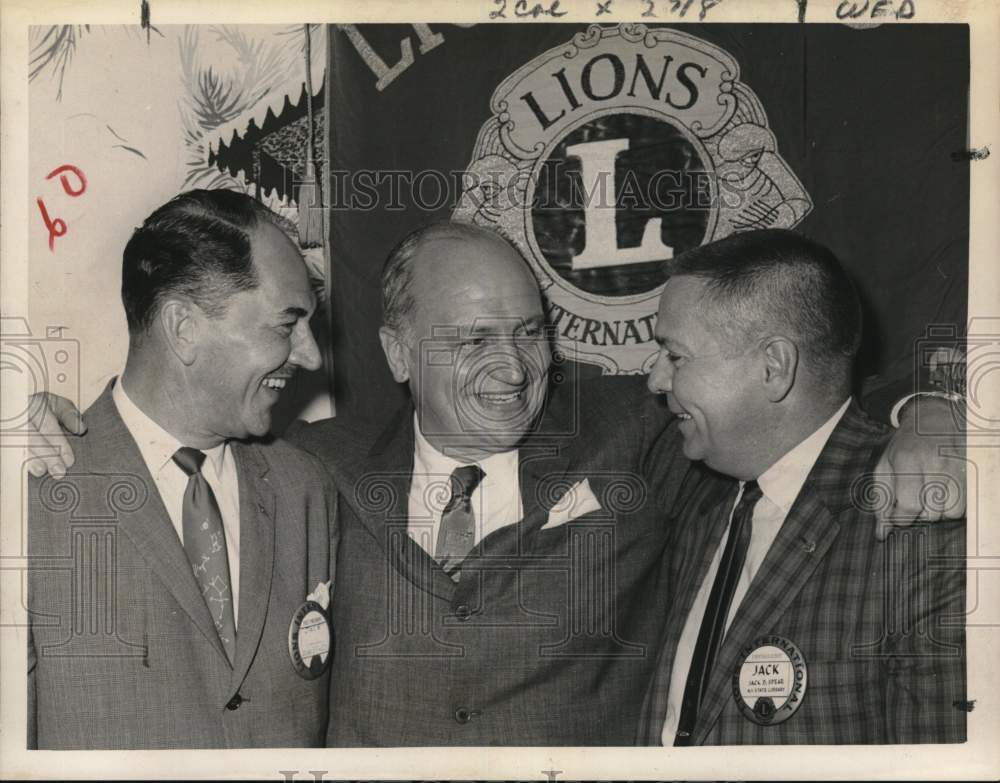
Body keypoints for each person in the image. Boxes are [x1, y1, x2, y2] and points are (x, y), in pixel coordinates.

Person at [27, 211, 966, 746]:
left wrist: (925, 412)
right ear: (397, 351)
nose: (513, 368)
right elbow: (168, 439)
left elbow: (799, 393)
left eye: (528, 333)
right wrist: (50, 427)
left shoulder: (634, 434)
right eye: (473, 339)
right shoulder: (318, 472)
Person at [27, 190, 339, 749]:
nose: (311, 356)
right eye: (286, 324)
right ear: (184, 328)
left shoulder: (305, 490)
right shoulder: (34, 494)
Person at [636, 229, 966, 745]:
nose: (655, 380)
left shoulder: (919, 527)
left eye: (675, 356)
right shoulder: (703, 491)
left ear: (774, 367)